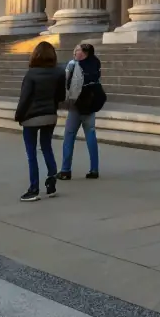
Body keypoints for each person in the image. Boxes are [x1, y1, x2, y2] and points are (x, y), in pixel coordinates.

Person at [14, 40, 65, 202]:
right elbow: (61, 96)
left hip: (31, 117)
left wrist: (18, 116)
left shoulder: (31, 74)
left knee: (31, 153)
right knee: (47, 148)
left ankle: (34, 188)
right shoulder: (59, 72)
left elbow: (25, 99)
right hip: (50, 115)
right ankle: (51, 184)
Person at [59, 42, 103, 180]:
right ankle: (94, 169)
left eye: (77, 50)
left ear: (84, 53)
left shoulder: (73, 64)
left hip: (77, 105)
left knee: (69, 135)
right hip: (91, 103)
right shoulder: (95, 63)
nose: (74, 52)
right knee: (91, 135)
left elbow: (67, 83)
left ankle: (65, 170)